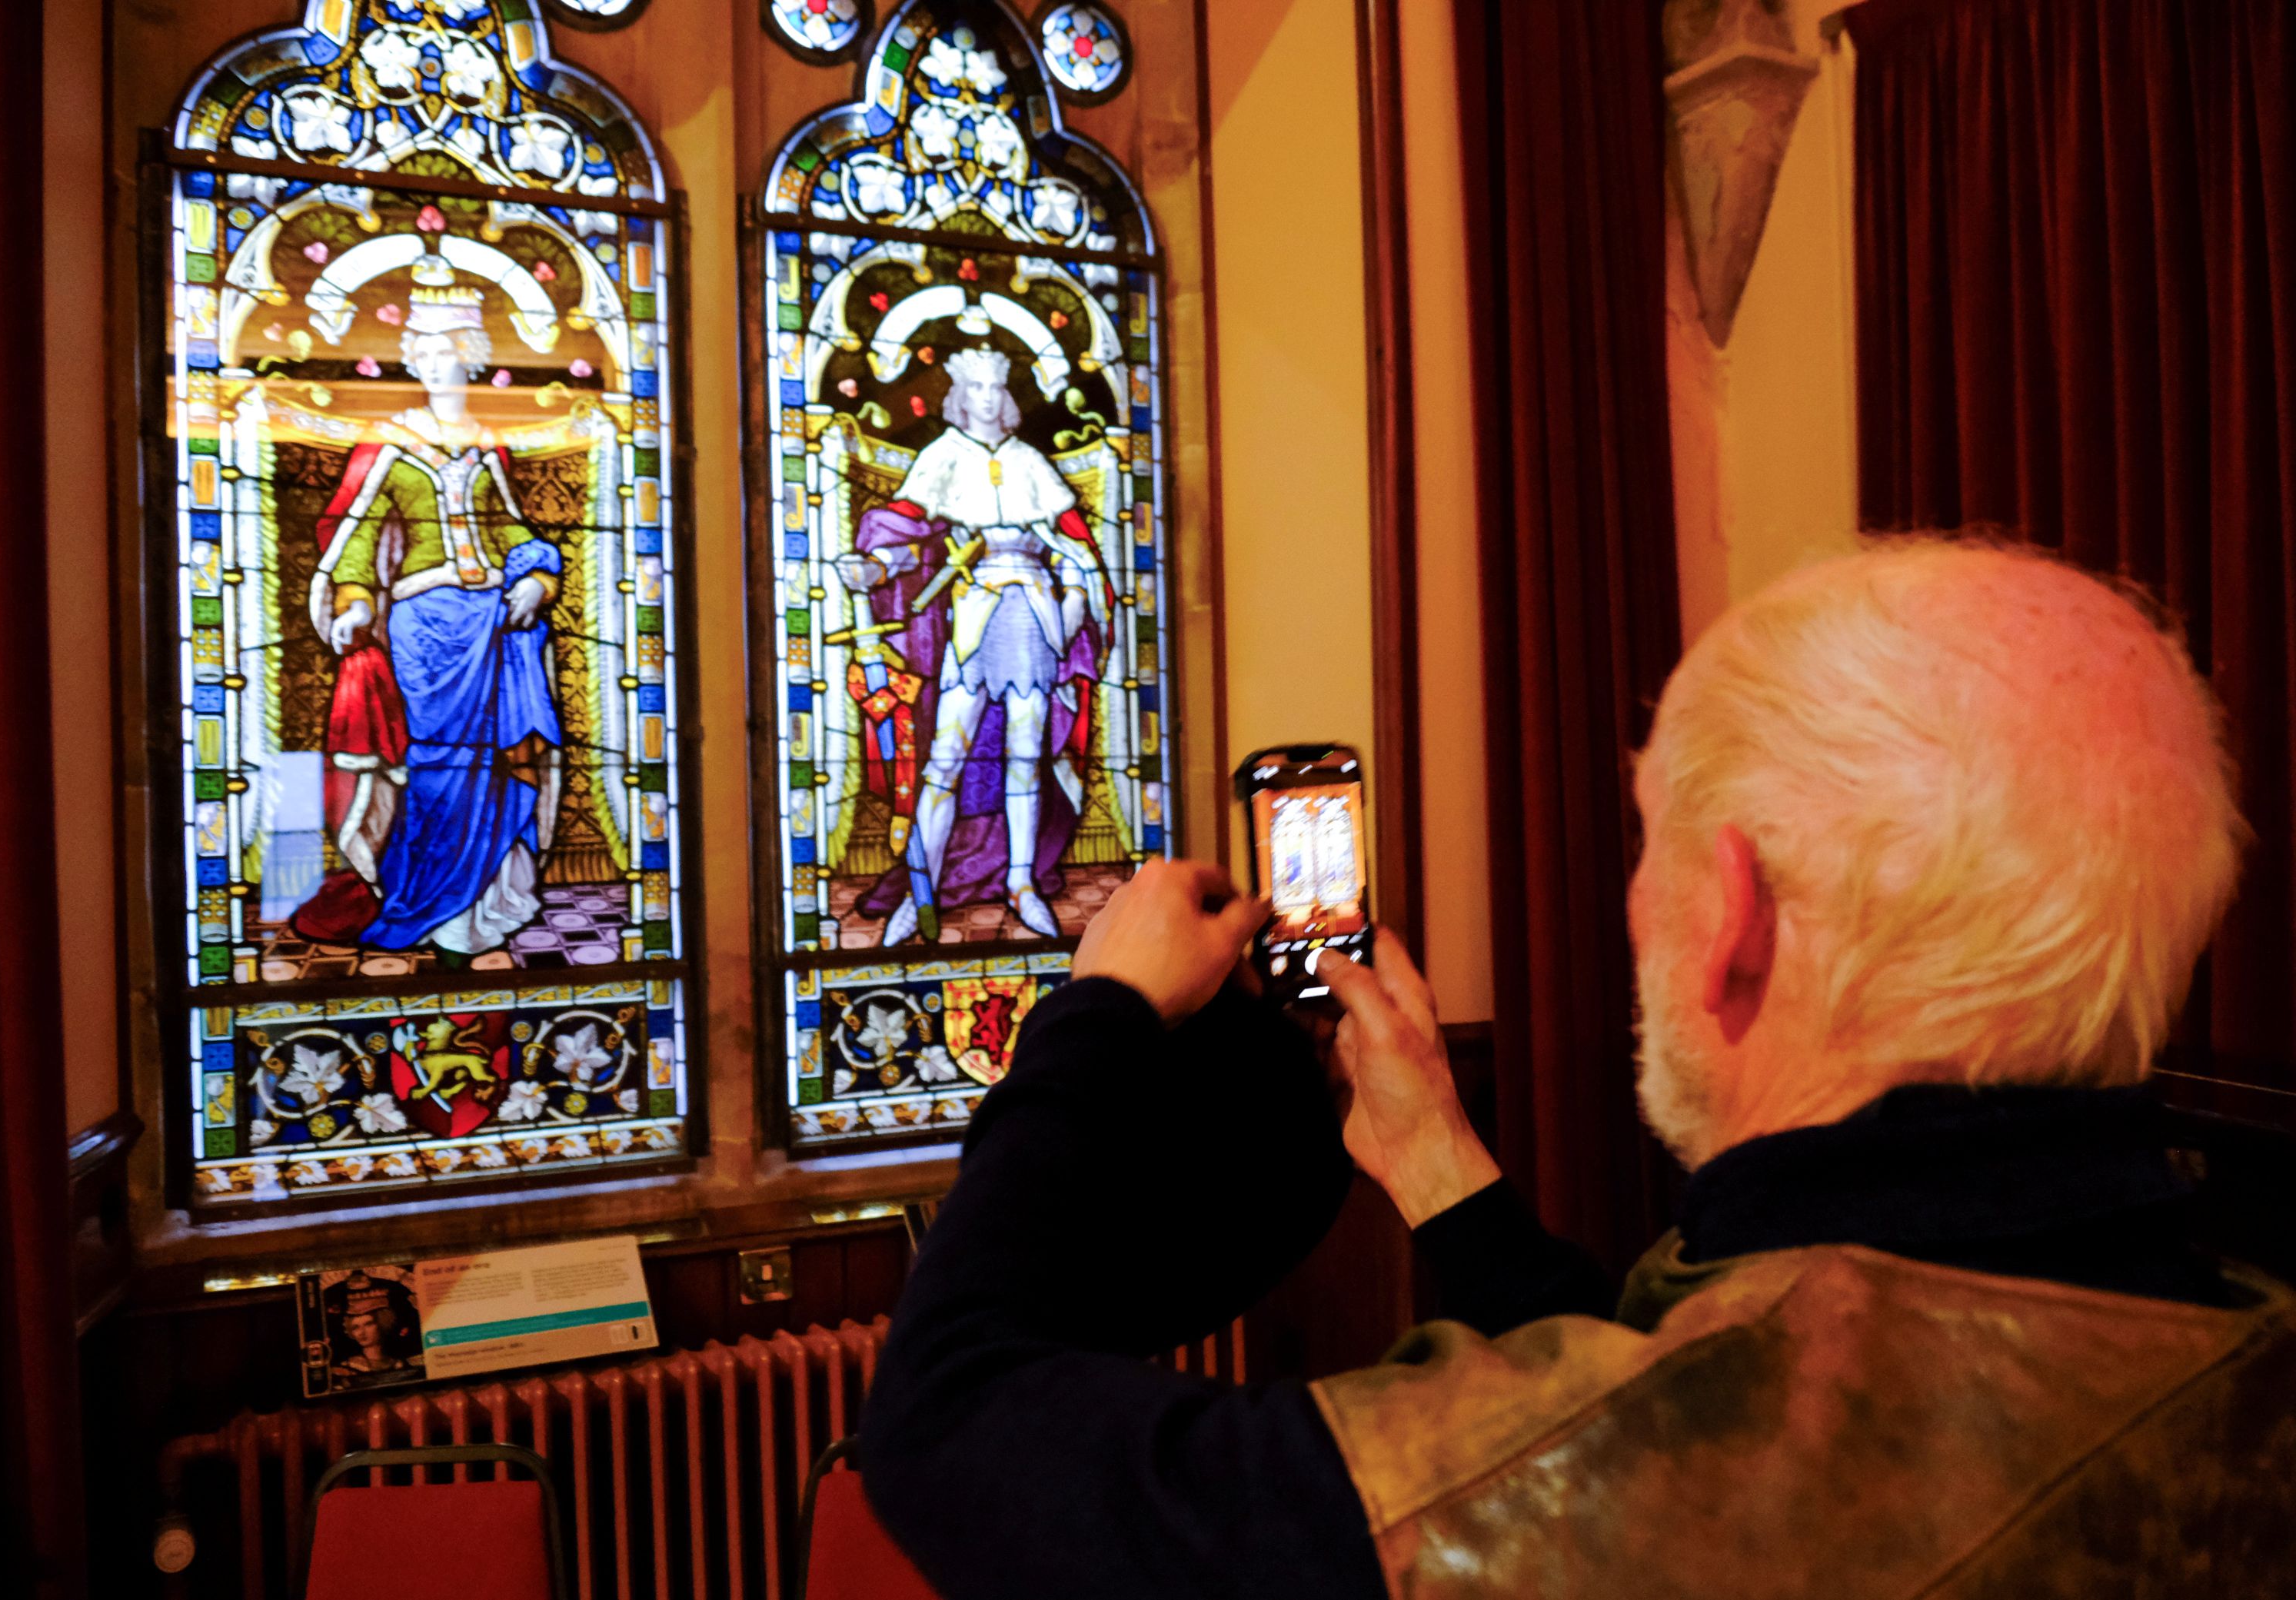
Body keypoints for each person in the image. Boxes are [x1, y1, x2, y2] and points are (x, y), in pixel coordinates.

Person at [860, 541, 2296, 1598]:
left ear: (1729, 913)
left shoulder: (1550, 1499)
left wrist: (1097, 1014)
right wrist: (1440, 1169)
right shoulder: (2228, 1332)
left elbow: (945, 1424)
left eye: (1648, 842)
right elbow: (1700, 1378)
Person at [292, 246, 564, 960]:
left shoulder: (487, 444)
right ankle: (424, 893)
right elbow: (352, 538)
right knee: (439, 765)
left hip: (492, 625)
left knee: (494, 764)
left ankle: (483, 900)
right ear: (411, 356)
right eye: (426, 349)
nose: (439, 361)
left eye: (454, 349)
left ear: (473, 357)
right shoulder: (390, 441)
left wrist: (539, 575)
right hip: (424, 627)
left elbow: (511, 529)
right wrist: (353, 600)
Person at [835, 342, 1113, 943]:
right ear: (961, 398)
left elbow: (1072, 548)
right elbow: (920, 539)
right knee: (945, 761)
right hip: (972, 617)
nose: (988, 400)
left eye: (997, 389)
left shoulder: (1032, 463)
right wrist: (877, 567)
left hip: (1034, 620)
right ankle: (921, 885)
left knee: (1023, 758)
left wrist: (1072, 609)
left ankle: (1021, 883)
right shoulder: (941, 458)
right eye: (977, 390)